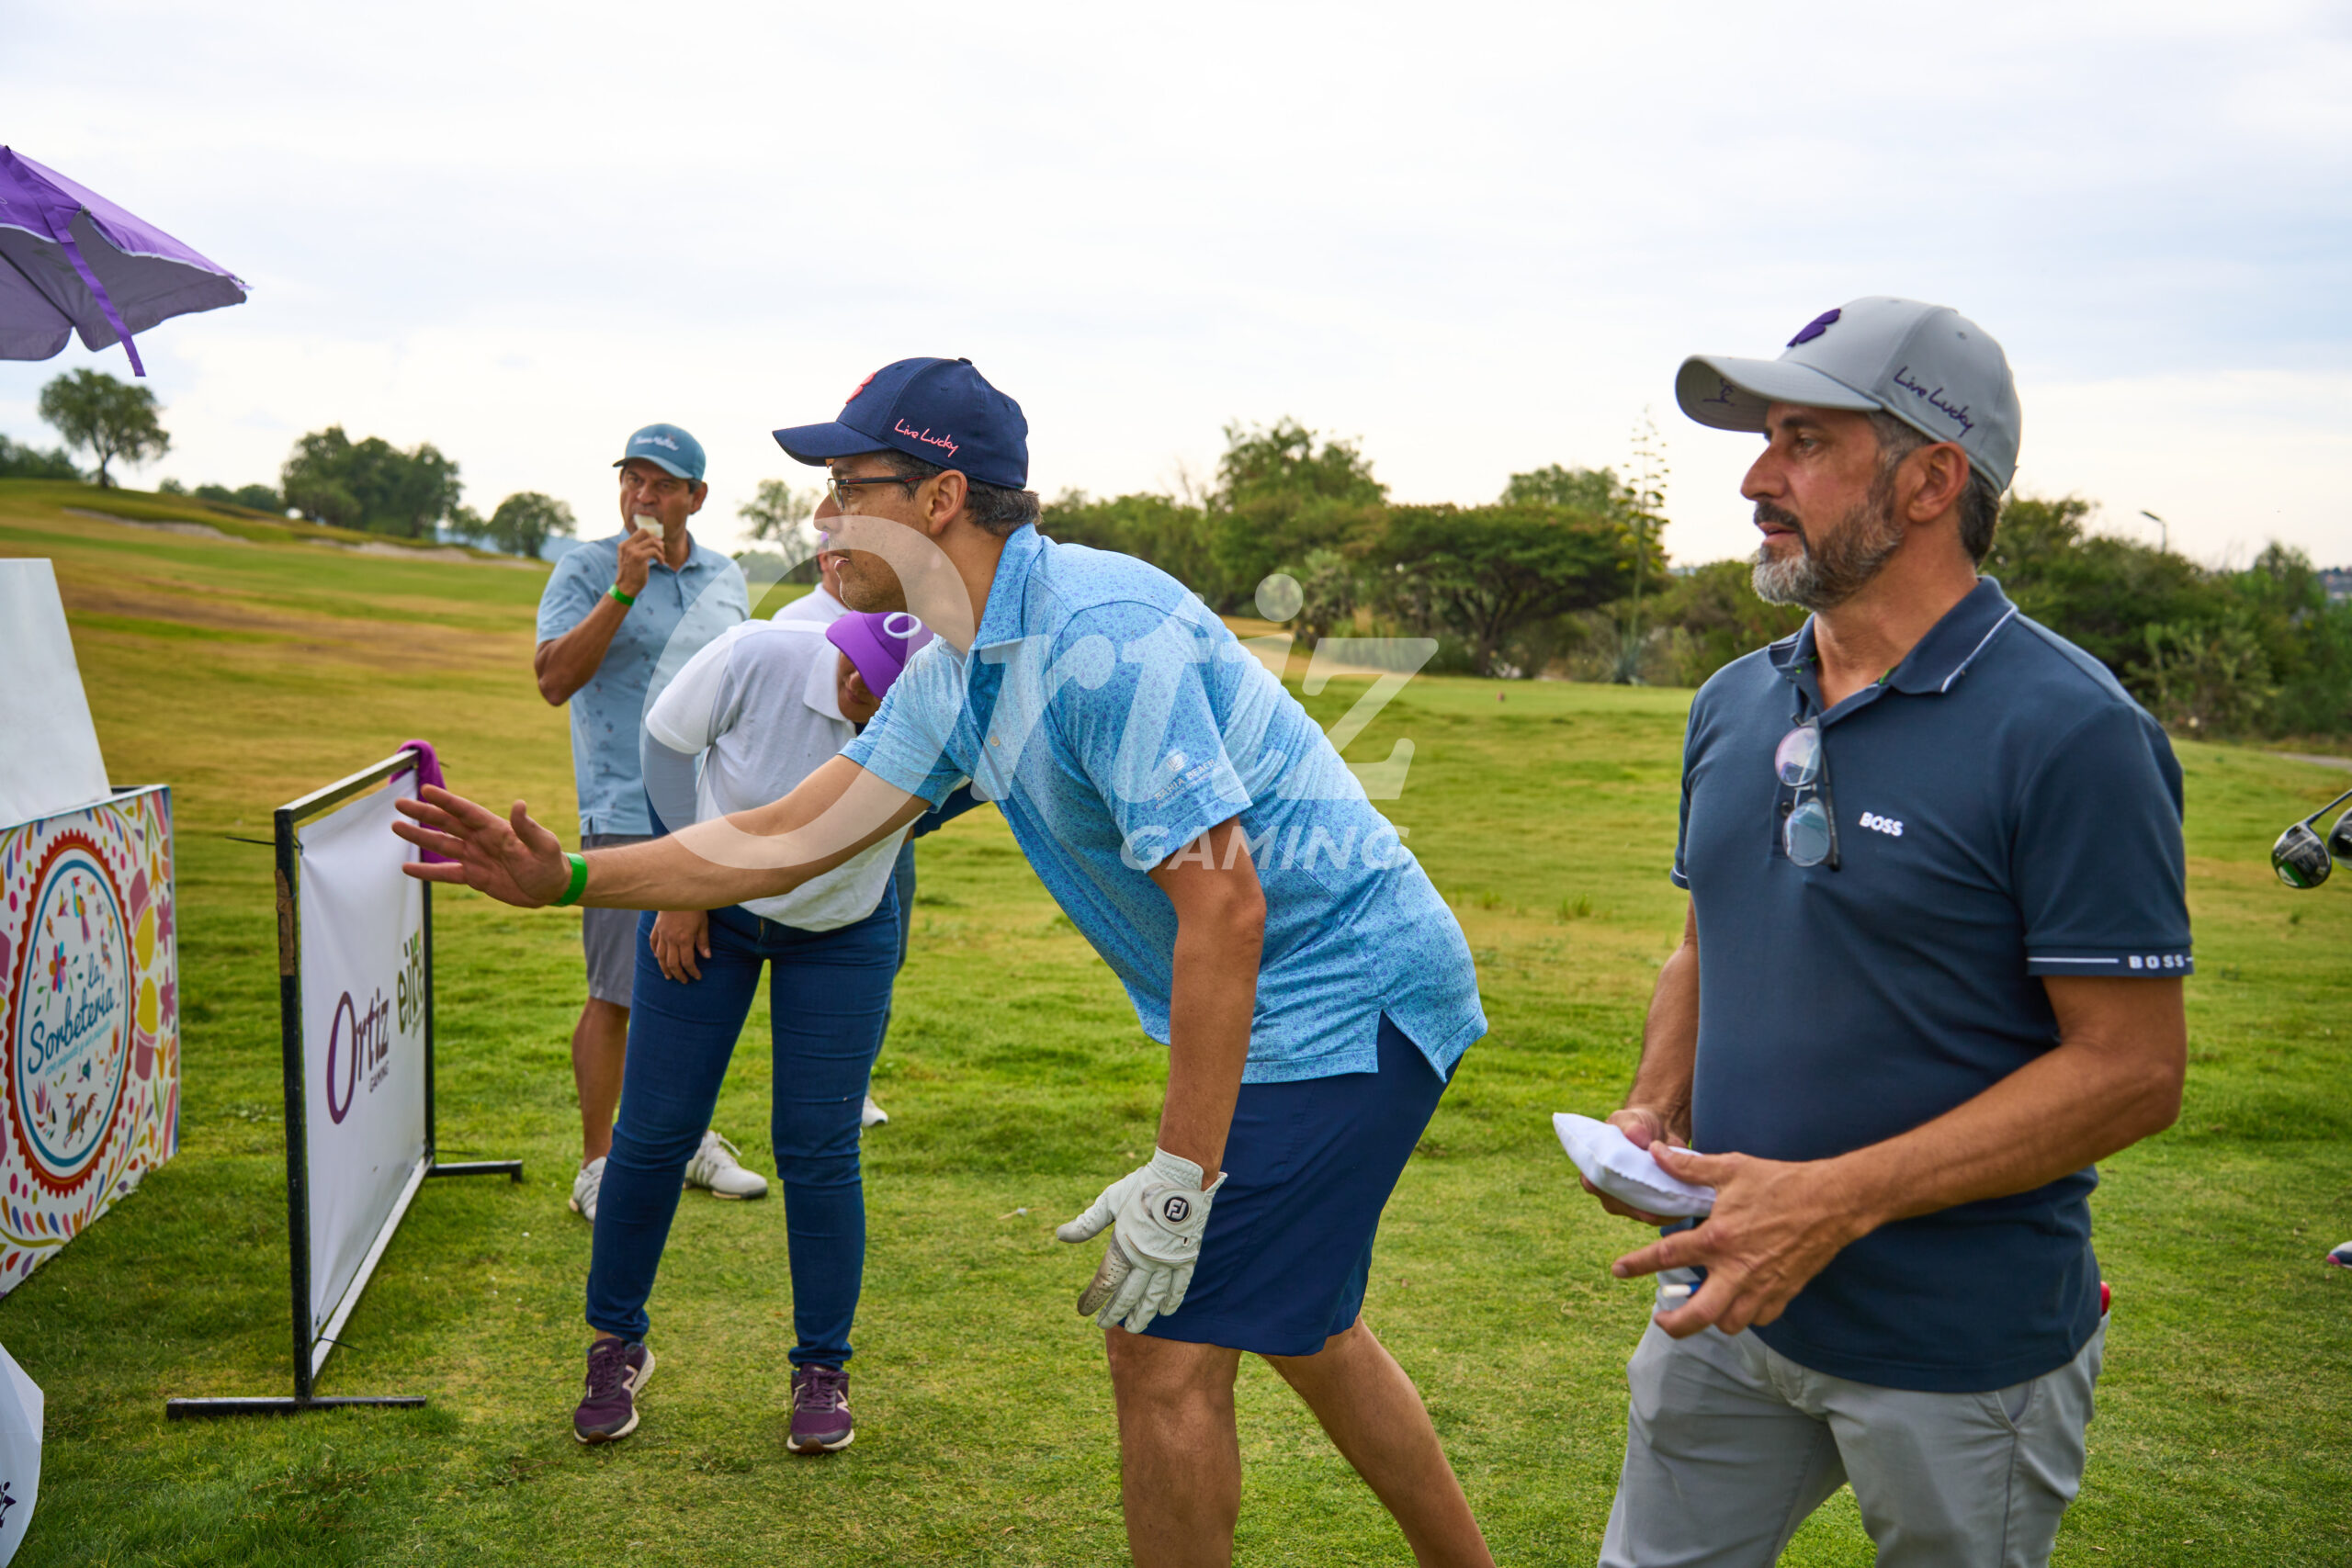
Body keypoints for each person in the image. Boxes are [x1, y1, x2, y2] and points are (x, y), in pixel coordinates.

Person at [396, 357, 1498, 1567]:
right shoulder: (957, 665)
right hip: (1311, 1004)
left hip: (1350, 1001)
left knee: (1163, 1344)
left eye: (847, 482)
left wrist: (1180, 1179)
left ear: (939, 499)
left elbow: (1224, 908)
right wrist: (565, 880)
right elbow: (785, 832)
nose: (820, 514)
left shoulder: (1102, 638)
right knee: (1309, 1328)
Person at [1585, 298, 2190, 1567]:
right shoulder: (1733, 700)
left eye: (1804, 441)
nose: (1757, 477)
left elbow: (2132, 1069)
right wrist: (1656, 1109)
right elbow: (1710, 942)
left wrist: (1829, 1202)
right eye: (1764, 440)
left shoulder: (2072, 730)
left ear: (1931, 478)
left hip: (1956, 1346)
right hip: (1730, 1303)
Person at [571, 609, 937, 1450]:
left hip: (843, 931)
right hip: (710, 910)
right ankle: (614, 1343)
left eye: (883, 691)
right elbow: (664, 744)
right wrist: (679, 884)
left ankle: (823, 1370)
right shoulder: (758, 654)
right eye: (855, 671)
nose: (861, 693)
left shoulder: (937, 707)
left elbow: (959, 792)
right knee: (656, 1130)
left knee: (817, 1146)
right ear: (839, 641)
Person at [532, 423, 758, 1222]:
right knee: (618, 990)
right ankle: (599, 1162)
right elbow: (555, 679)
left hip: (712, 811)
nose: (643, 496)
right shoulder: (588, 565)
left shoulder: (726, 576)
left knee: (698, 982)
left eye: (662, 484)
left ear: (696, 497)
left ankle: (683, 1138)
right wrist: (622, 590)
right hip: (626, 809)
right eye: (632, 478)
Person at [768, 546, 894, 1128]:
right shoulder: (792, 624)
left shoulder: (910, 618)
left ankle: (852, 1080)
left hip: (876, 833)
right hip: (787, 826)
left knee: (876, 961)